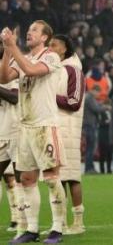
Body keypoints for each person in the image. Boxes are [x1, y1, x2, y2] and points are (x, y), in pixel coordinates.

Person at [0, 21, 67, 244]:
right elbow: (4, 78)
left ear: (45, 37)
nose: (29, 32)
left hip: (45, 125)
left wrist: (13, 48)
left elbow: (30, 71)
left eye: (34, 30)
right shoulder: (24, 57)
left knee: (51, 178)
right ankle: (32, 229)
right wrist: (8, 49)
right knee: (27, 179)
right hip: (24, 127)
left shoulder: (51, 57)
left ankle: (57, 228)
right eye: (28, 30)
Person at [49, 35, 87, 235]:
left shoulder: (74, 69)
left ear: (64, 49)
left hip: (69, 129)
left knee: (71, 176)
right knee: (57, 177)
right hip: (54, 127)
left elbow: (74, 101)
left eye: (54, 45)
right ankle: (61, 222)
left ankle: (78, 222)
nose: (50, 48)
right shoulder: (55, 70)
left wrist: (48, 96)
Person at [0, 42, 24, 235]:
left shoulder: (15, 66)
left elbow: (15, 97)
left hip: (14, 129)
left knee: (16, 177)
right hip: (1, 129)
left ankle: (20, 221)